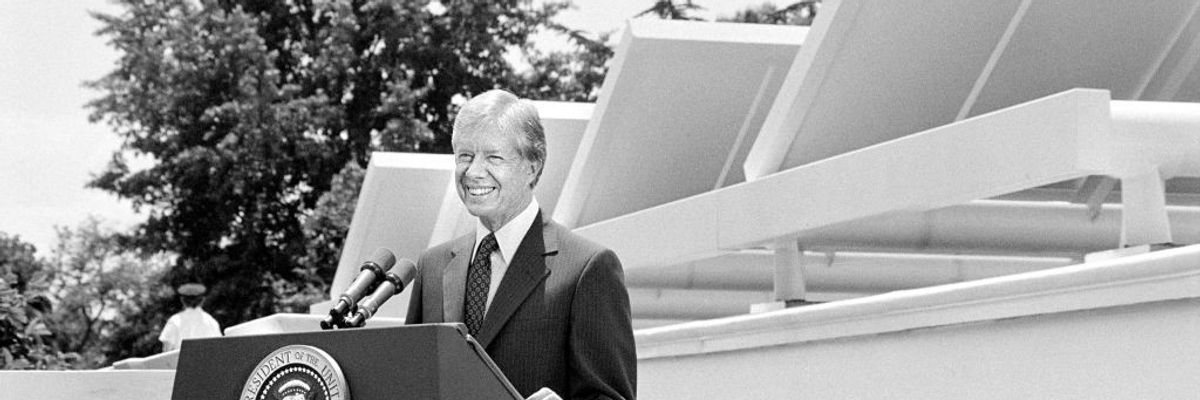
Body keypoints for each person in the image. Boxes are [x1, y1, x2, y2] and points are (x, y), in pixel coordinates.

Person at [406, 89, 636, 400]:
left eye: (493, 157)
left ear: (533, 166)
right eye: (465, 156)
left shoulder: (587, 268)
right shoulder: (432, 267)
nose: (473, 172)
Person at [159, 283, 222, 352]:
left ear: (182, 300)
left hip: (181, 362)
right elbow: (219, 348)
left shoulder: (174, 321)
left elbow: (166, 350)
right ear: (202, 300)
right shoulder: (211, 322)